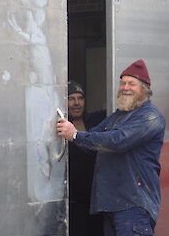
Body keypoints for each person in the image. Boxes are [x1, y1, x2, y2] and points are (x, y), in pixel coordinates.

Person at [58, 60, 166, 236]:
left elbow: (118, 141)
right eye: (122, 83)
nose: (125, 87)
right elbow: (92, 142)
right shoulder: (118, 116)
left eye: (131, 84)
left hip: (133, 206)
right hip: (111, 205)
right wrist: (65, 133)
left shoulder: (150, 117)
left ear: (144, 89)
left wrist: (76, 135)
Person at [67, 81, 106, 236]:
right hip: (73, 201)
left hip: (97, 199)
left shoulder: (95, 120)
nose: (76, 103)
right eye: (71, 98)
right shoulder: (61, 126)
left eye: (80, 98)